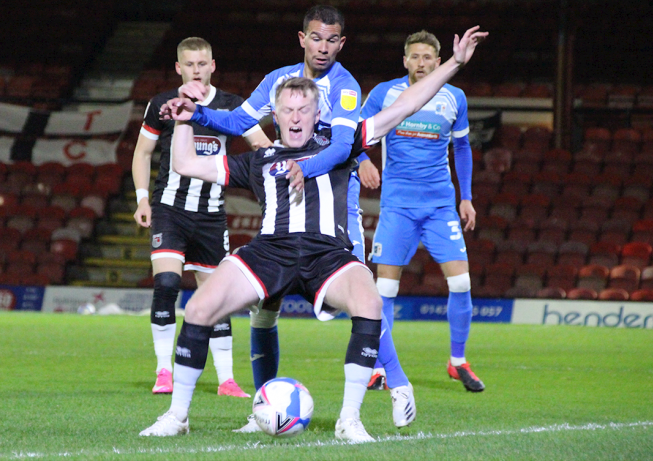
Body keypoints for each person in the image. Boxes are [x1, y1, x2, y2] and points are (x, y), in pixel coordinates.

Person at [141, 27, 487, 439]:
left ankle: (350, 421)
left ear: (318, 113)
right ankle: (176, 416)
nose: (296, 117)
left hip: (328, 256)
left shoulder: (341, 146)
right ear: (274, 114)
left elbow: (407, 103)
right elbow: (186, 164)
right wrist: (184, 118)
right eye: (287, 110)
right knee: (198, 309)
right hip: (269, 253)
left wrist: (455, 63)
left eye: (304, 109)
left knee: (370, 303)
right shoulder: (259, 159)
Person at [164, 5, 383, 430]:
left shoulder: (345, 87)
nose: (322, 47)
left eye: (331, 39)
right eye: (315, 38)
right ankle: (248, 409)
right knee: (257, 314)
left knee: (368, 299)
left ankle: (376, 398)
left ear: (342, 43)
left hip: (329, 209)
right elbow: (238, 121)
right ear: (302, 39)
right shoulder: (276, 82)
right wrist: (197, 115)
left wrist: (309, 166)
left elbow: (342, 148)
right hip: (277, 218)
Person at [132, 37, 270, 397]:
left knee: (217, 299)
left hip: (211, 216)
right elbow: (142, 153)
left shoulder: (230, 106)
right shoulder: (162, 104)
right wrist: (142, 199)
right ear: (179, 68)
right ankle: (164, 372)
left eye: (202, 63)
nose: (197, 69)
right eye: (189, 64)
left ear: (213, 65)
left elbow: (263, 147)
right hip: (169, 210)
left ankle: (226, 379)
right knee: (165, 286)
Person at [360, 30, 484, 392]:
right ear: (405, 61)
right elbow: (355, 134)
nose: (421, 63)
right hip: (397, 206)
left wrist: (467, 197)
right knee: (385, 289)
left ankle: (457, 360)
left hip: (440, 206)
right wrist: (364, 160)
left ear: (437, 59)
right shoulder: (385, 93)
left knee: (461, 282)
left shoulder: (454, 97)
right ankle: (379, 366)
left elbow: (462, 149)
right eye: (414, 57)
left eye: (428, 57)